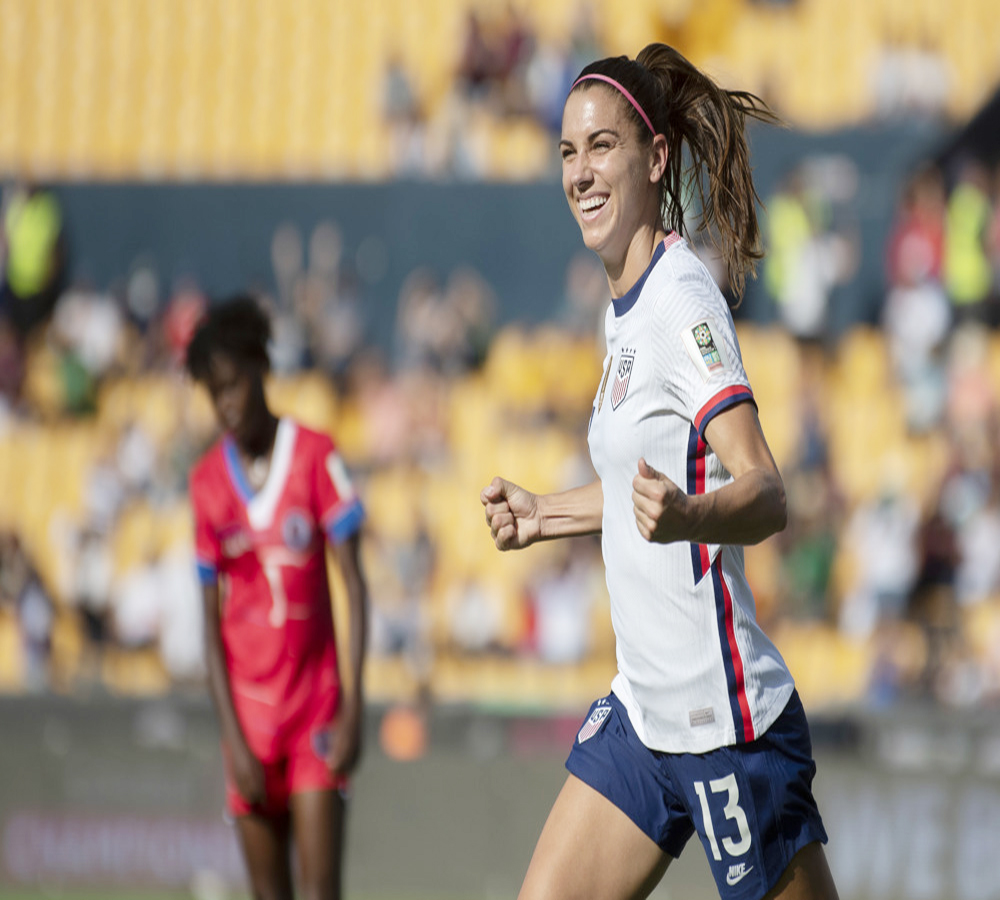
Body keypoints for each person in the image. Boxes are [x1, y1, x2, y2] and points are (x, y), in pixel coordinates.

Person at [481, 45, 839, 900]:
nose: (580, 172)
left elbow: (765, 490)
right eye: (568, 153)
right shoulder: (625, 309)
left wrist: (691, 518)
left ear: (655, 158)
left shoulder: (682, 303)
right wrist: (546, 514)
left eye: (601, 147)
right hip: (646, 713)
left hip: (725, 723)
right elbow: (641, 491)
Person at [186, 296, 368, 900]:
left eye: (233, 385)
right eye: (214, 394)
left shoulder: (315, 456)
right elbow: (208, 629)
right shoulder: (207, 484)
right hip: (250, 724)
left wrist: (352, 703)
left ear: (261, 369)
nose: (226, 404)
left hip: (315, 713)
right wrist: (233, 741)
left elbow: (355, 585)